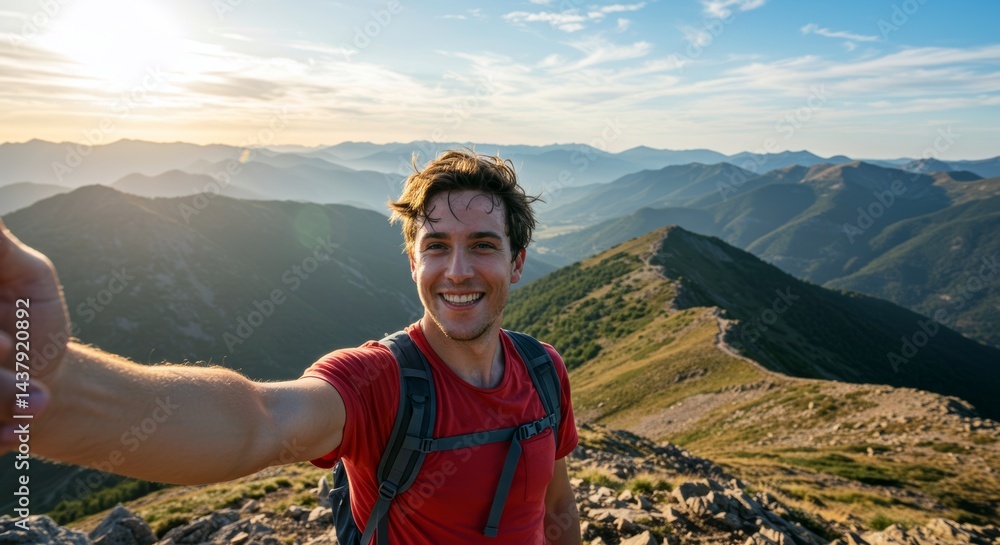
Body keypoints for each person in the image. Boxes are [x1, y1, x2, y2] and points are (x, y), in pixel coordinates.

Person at [0, 149, 581, 544]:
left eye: (482, 245)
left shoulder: (543, 369)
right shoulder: (377, 381)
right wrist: (52, 391)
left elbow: (555, 507)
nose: (457, 270)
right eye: (436, 246)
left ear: (517, 263)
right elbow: (260, 421)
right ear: (413, 262)